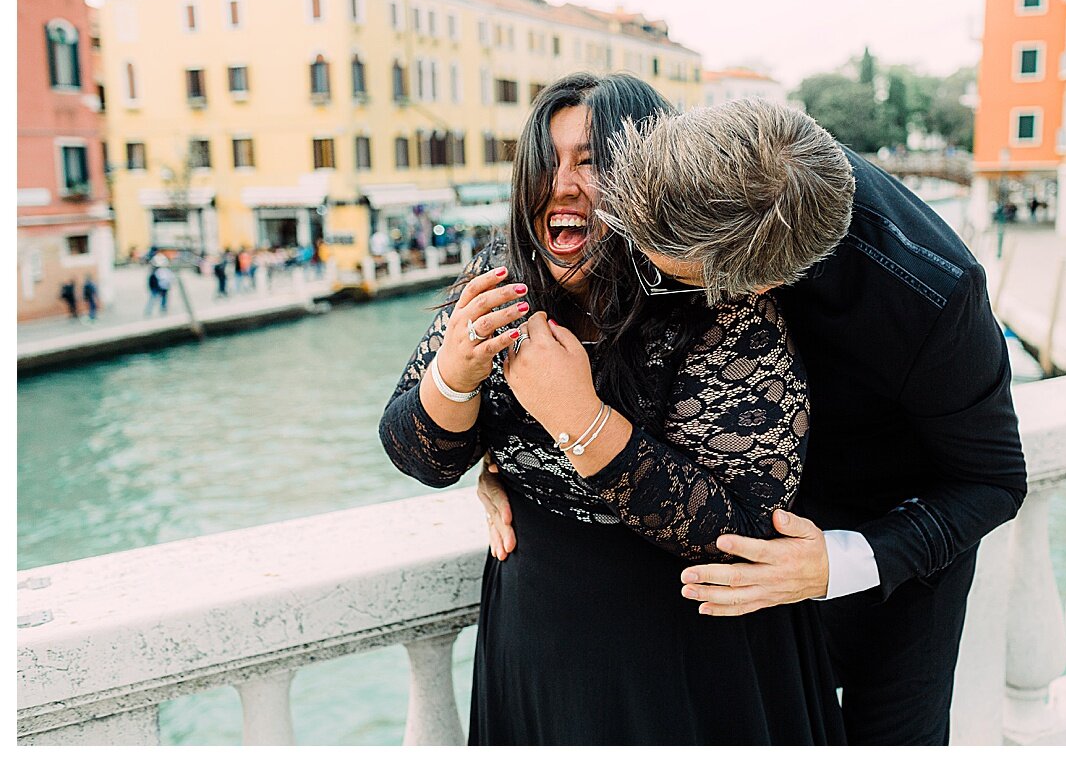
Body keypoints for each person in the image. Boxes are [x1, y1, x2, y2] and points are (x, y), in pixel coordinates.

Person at [380, 74, 853, 744]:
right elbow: (419, 455)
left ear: (649, 178)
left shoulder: (716, 294)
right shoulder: (503, 269)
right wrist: (454, 374)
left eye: (591, 161)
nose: (560, 184)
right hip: (539, 634)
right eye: (547, 158)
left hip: (688, 647)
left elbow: (747, 523)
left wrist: (581, 422)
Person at [563, 96, 1025, 744]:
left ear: (756, 288)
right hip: (734, 534)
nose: (636, 272)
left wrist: (833, 564)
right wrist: (523, 452)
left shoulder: (937, 296)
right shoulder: (694, 169)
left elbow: (996, 482)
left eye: (665, 276)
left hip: (892, 549)